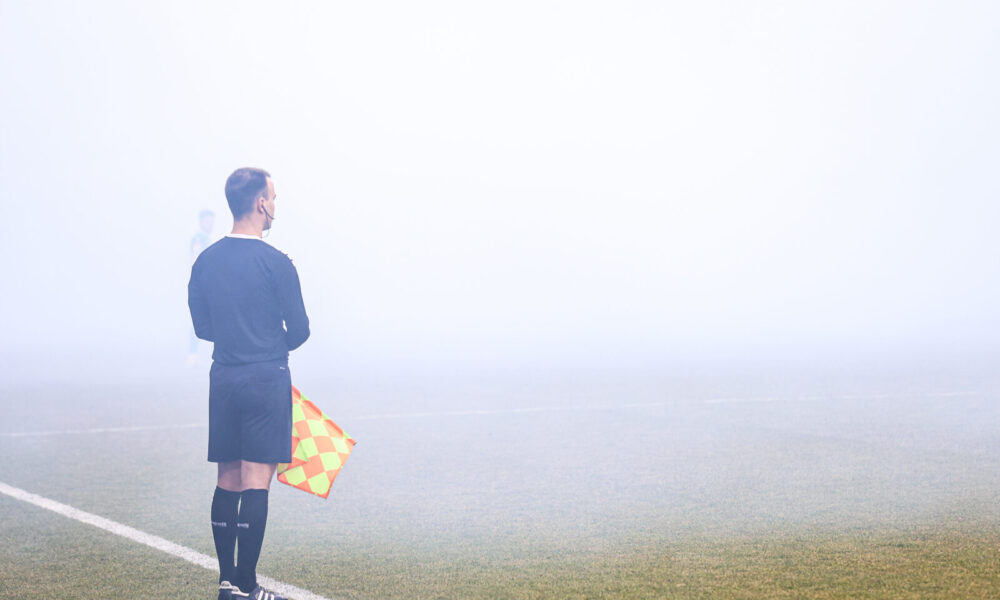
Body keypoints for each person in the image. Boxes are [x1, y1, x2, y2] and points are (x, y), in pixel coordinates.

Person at [188, 168, 310, 600]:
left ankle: (226, 583)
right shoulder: (277, 263)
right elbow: (300, 329)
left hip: (224, 378)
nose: (275, 205)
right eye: (273, 197)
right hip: (265, 378)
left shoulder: (206, 261)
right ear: (260, 203)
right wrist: (267, 341)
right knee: (257, 480)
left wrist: (237, 335)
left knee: (228, 478)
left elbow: (202, 326)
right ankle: (246, 586)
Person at [189, 209, 216, 365]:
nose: (210, 224)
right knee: (198, 318)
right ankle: (192, 353)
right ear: (201, 222)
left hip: (210, 285)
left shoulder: (209, 238)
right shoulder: (198, 239)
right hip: (202, 285)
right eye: (207, 221)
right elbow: (195, 260)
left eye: (211, 221)